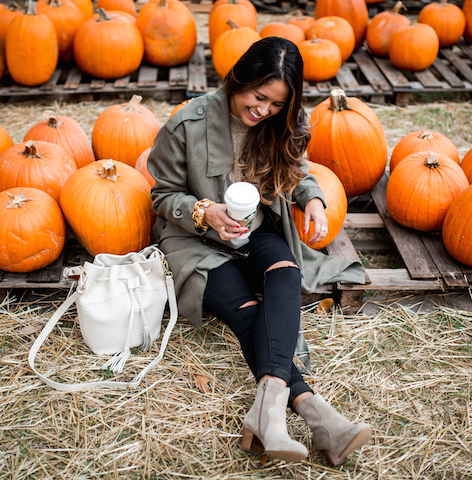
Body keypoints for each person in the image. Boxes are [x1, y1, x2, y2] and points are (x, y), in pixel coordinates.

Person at [146, 37, 371, 465]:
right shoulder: (187, 124)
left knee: (285, 272)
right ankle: (315, 414)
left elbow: (297, 171)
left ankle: (268, 414)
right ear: (239, 79)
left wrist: (315, 199)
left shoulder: (281, 122)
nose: (262, 110)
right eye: (258, 96)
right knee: (249, 312)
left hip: (253, 230)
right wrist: (204, 211)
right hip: (196, 241)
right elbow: (161, 196)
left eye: (275, 104)